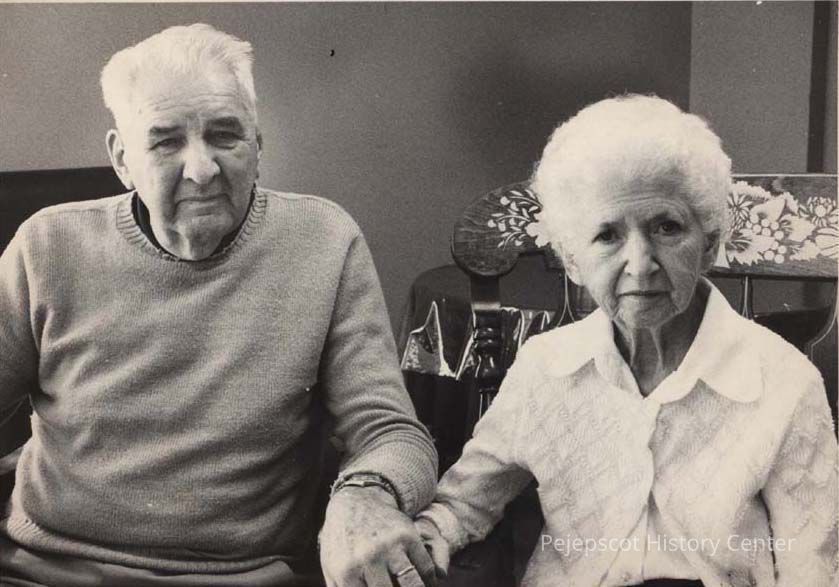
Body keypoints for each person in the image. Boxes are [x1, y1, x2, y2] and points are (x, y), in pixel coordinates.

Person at [0, 24, 438, 587]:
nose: (202, 169)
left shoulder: (325, 241)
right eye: (165, 142)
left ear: (258, 144)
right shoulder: (46, 246)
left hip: (241, 577)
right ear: (122, 159)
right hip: (44, 571)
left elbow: (392, 433)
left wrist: (366, 496)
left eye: (225, 135)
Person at [414, 95, 838, 586]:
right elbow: (463, 503)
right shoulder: (545, 368)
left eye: (667, 228)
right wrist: (431, 534)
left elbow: (813, 567)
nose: (640, 264)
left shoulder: (785, 382)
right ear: (573, 261)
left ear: (709, 243)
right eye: (607, 236)